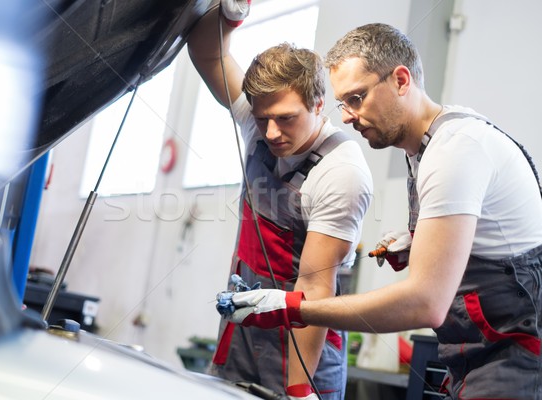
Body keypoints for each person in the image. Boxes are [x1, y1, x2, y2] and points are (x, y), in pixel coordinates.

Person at [221, 22, 542, 400]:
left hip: (516, 358)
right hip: (474, 357)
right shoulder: (427, 146)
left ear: (401, 80)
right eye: (344, 102)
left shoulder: (453, 151)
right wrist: (424, 241)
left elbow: (425, 303)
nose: (347, 116)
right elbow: (495, 238)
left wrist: (293, 307)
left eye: (357, 98)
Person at [186, 3, 373, 400]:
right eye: (261, 117)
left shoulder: (341, 172)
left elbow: (316, 289)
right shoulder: (264, 119)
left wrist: (299, 389)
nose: (270, 133)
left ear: (318, 105)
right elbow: (207, 51)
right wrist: (230, 14)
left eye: (286, 119)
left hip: (303, 342)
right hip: (243, 326)